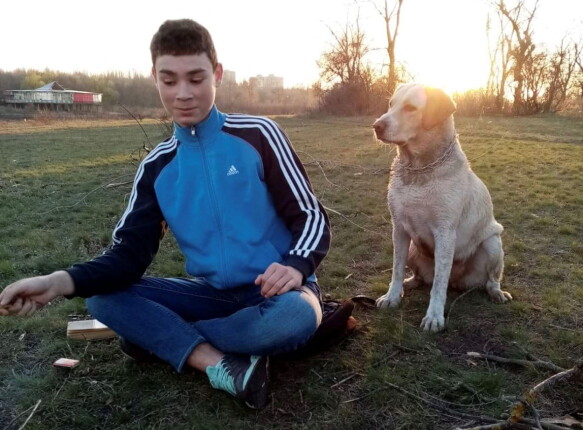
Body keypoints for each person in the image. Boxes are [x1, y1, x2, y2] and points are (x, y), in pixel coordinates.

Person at [0, 19, 330, 409]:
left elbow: (310, 216)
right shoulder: (157, 167)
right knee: (102, 300)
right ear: (154, 77)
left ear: (217, 74)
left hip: (278, 293)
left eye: (196, 78)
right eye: (170, 80)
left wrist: (295, 265)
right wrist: (55, 282)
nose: (184, 93)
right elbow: (128, 257)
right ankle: (216, 362)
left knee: (294, 318)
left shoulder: (258, 134)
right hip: (211, 297)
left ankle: (162, 337)